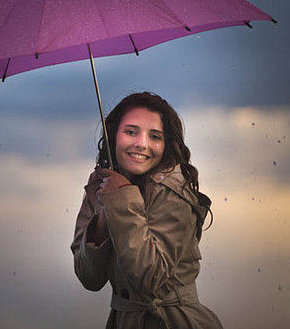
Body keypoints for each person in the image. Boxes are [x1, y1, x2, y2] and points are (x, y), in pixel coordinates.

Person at [71, 92, 223, 329]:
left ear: (166, 144)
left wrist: (122, 200)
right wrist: (100, 222)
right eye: (131, 132)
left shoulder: (173, 190)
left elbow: (148, 277)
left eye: (155, 136)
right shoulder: (100, 187)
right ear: (113, 136)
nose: (141, 143)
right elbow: (89, 278)